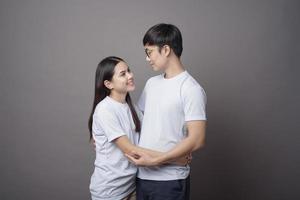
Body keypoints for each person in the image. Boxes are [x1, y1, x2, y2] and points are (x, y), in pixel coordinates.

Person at [88, 56, 190, 200]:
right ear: (108, 83)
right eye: (123, 74)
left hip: (132, 187)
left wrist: (181, 145)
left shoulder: (133, 108)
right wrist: (176, 159)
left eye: (129, 71)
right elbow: (131, 150)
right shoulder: (105, 109)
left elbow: (150, 133)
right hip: (110, 191)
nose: (130, 75)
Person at [126, 23, 207, 200]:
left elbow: (198, 139)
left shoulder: (190, 89)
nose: (147, 58)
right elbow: (137, 121)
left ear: (166, 49)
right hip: (142, 177)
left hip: (170, 181)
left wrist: (155, 160)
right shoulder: (151, 83)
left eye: (149, 52)